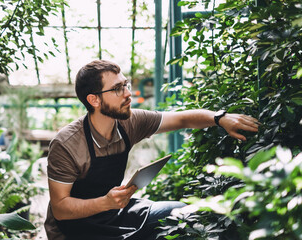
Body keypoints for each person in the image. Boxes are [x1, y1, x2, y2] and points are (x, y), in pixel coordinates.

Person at [44, 60, 259, 240]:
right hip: (72, 229)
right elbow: (61, 209)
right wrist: (105, 202)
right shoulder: (67, 144)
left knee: (182, 214)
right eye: (118, 89)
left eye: (125, 85)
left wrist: (220, 118)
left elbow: (182, 118)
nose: (128, 94)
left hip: (113, 212)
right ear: (94, 100)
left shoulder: (130, 122)